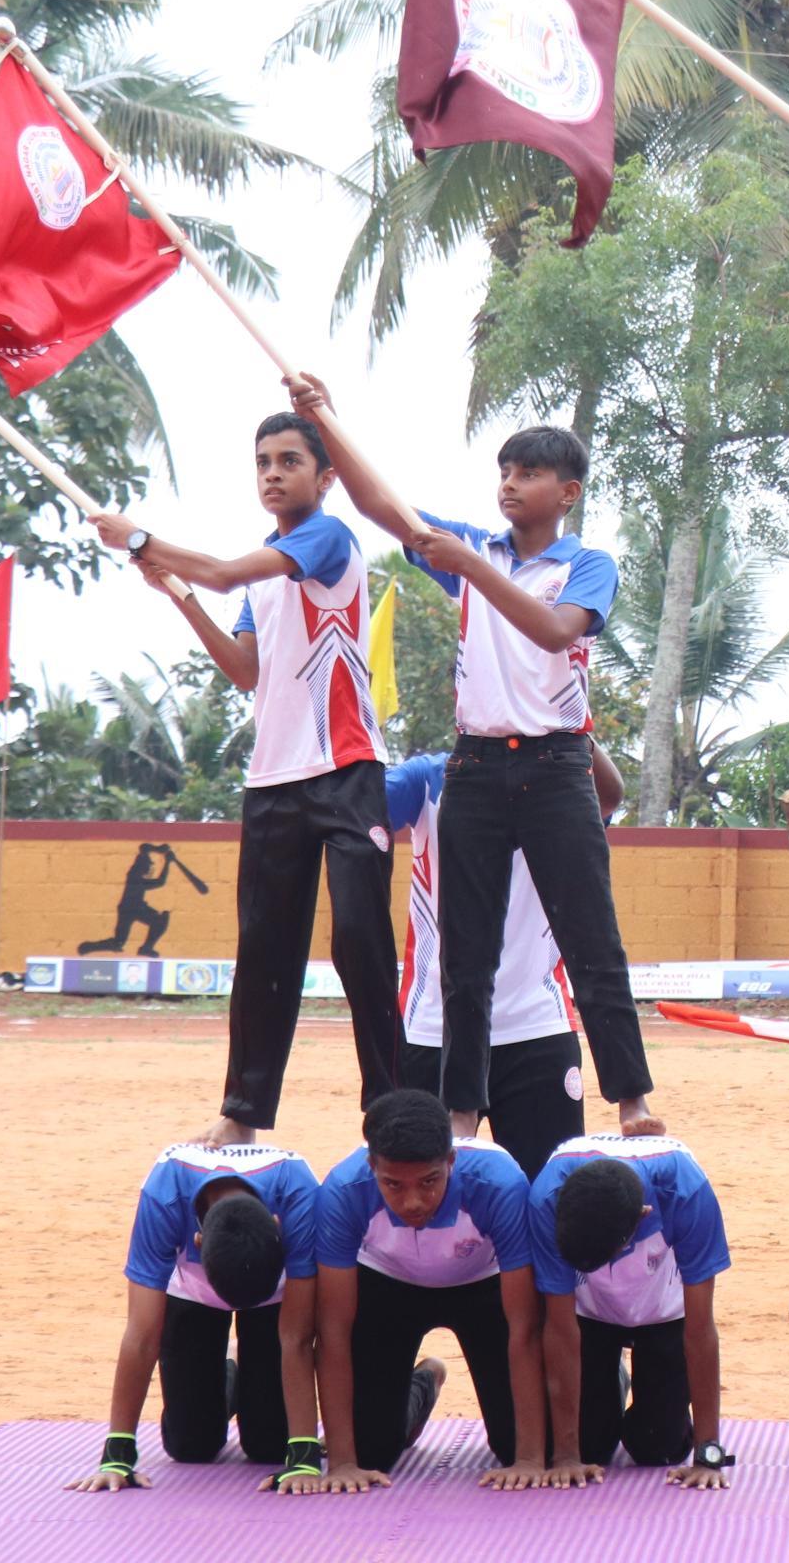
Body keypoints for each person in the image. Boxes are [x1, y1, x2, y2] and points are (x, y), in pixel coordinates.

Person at [281, 373, 659, 1148]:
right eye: (505, 472)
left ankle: (631, 1097)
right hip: (476, 768)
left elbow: (555, 633)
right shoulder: (472, 548)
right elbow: (384, 508)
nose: (510, 485)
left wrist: (472, 568)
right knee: (466, 950)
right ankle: (460, 1107)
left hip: (558, 767)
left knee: (592, 938)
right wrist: (325, 420)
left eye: (529, 474)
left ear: (569, 491)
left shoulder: (586, 564)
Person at [91, 413, 402, 1144]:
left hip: (347, 768)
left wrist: (140, 540)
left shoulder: (326, 538)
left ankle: (392, 1113)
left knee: (361, 941)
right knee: (265, 949)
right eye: (262, 460)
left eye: (289, 460)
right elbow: (244, 672)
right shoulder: (264, 573)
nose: (272, 472)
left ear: (324, 478)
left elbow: (228, 569)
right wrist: (177, 591)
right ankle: (242, 1113)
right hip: (273, 781)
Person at [384, 742, 623, 1177]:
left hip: (536, 1029)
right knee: (425, 1199)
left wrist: (567, 721)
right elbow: (362, 806)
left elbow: (610, 796)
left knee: (549, 1195)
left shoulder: (562, 778)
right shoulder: (431, 778)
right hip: (434, 1033)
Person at [302, 1089, 548, 1495]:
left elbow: (524, 1327)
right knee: (370, 1452)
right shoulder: (343, 1192)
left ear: (452, 1161)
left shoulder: (500, 1185)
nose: (413, 1201)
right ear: (371, 1167)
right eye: (393, 1184)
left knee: (513, 1444)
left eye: (430, 1181)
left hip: (481, 1286)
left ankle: (610, 1376)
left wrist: (529, 1459)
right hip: (388, 1286)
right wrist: (343, 1463)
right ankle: (423, 1384)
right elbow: (332, 1332)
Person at [70, 1139, 324, 1492]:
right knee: (190, 1445)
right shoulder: (164, 1194)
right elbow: (141, 1337)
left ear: (277, 1225)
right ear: (198, 1240)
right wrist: (117, 1455)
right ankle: (231, 1368)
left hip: (274, 1300)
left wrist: (303, 1457)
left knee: (270, 1445)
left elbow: (296, 1337)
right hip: (193, 1293)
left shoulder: (298, 1192)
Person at [527, 1135, 734, 1486]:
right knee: (591, 1444)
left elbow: (700, 1331)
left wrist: (707, 1454)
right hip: (589, 1315)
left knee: (658, 1448)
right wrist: (566, 1456)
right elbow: (560, 1328)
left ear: (641, 1218)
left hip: (664, 1313)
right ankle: (614, 1380)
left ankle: (640, 1385)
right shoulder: (547, 1198)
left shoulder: (688, 1193)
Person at [79, 842, 206, 957]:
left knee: (121, 941)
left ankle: (89, 947)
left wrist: (159, 850)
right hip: (132, 908)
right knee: (160, 921)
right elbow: (159, 882)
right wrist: (167, 862)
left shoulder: (136, 874)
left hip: (133, 907)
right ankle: (145, 948)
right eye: (149, 865)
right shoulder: (135, 876)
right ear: (142, 865)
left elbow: (144, 848)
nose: (150, 867)